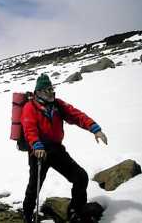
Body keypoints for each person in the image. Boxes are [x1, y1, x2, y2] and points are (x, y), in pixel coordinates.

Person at [21, 74, 108, 223]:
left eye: (51, 88)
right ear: (38, 92)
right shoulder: (30, 107)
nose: (51, 92)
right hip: (38, 153)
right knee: (34, 187)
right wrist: (36, 145)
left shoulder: (58, 105)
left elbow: (77, 115)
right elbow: (29, 128)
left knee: (80, 177)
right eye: (47, 89)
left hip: (56, 150)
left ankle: (76, 210)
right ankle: (27, 214)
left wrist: (95, 128)